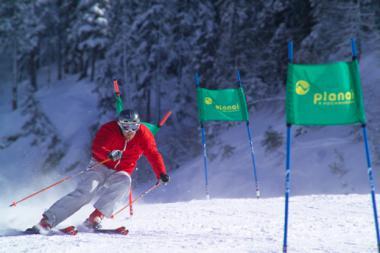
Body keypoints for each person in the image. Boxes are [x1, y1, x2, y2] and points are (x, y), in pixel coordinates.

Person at [29, 109, 170, 233]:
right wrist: (109, 154)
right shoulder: (108, 129)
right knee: (86, 192)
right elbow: (97, 147)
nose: (129, 131)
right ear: (119, 124)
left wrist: (161, 173)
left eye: (133, 127)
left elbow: (153, 154)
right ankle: (48, 220)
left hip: (122, 170)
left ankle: (95, 217)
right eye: (126, 126)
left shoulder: (144, 134)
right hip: (100, 165)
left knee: (125, 182)